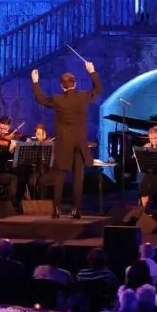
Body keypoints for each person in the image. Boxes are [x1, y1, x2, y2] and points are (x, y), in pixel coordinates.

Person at [31, 60, 101, 219]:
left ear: (62, 86)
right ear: (75, 84)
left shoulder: (57, 99)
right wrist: (92, 71)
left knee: (60, 176)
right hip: (79, 143)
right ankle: (77, 210)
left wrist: (35, 82)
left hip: (63, 144)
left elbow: (41, 99)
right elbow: (98, 89)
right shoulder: (83, 97)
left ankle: (56, 209)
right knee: (78, 177)